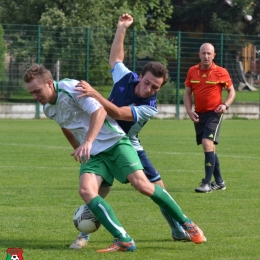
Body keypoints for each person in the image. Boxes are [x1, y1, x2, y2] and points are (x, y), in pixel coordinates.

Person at [24, 63, 206, 253]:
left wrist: (87, 141)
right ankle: (123, 240)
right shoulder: (48, 109)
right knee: (86, 191)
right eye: (32, 93)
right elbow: (66, 126)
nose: (35, 97)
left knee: (143, 186)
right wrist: (79, 148)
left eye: (37, 91)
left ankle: (188, 224)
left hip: (115, 143)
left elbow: (100, 111)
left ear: (50, 83)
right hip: (94, 154)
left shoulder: (72, 88)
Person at [69, 13, 193, 249]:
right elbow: (116, 58)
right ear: (141, 76)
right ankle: (84, 233)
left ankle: (178, 228)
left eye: (155, 87)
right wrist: (121, 28)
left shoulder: (149, 107)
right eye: (147, 82)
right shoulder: (126, 77)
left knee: (158, 189)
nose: (149, 89)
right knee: (96, 190)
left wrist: (96, 94)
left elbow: (116, 112)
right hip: (103, 140)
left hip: (128, 144)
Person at [184, 42, 236, 193]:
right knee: (210, 148)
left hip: (215, 113)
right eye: (203, 53)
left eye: (209, 53)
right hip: (199, 114)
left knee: (207, 142)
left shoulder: (221, 72)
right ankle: (219, 182)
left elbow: (232, 92)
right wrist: (189, 110)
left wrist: (225, 105)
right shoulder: (192, 71)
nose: (206, 56)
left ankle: (206, 183)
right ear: (199, 55)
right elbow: (187, 92)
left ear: (214, 55)